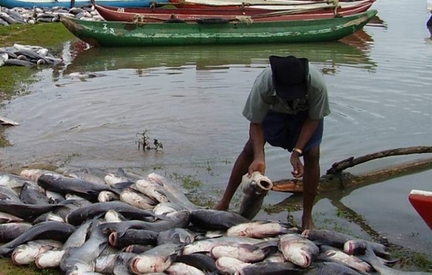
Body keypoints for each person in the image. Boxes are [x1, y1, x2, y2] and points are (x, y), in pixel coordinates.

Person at [214, 55, 330, 230]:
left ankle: (307, 216)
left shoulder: (317, 84)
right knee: (250, 150)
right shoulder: (263, 84)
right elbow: (256, 122)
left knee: (312, 154)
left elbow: (314, 119)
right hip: (274, 112)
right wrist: (259, 156)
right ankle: (224, 203)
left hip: (305, 116)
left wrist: (297, 152)